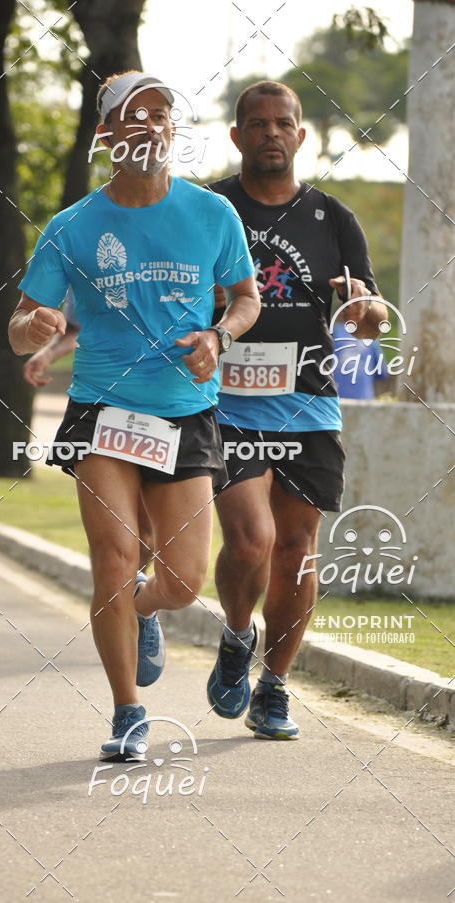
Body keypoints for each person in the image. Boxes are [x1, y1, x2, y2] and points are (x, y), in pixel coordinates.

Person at [9, 71, 259, 760]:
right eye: (134, 114)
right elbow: (22, 321)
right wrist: (34, 328)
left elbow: (245, 295)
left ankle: (146, 609)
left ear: (172, 130)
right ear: (106, 135)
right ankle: (127, 712)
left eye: (161, 113)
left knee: (183, 581)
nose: (151, 124)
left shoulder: (211, 213)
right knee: (114, 557)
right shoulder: (73, 227)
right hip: (102, 409)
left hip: (183, 411)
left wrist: (218, 337)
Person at [206, 81, 387, 739]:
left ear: (300, 135)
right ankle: (234, 632)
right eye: (257, 124)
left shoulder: (334, 219)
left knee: (295, 552)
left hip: (308, 405)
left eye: (283, 123)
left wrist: (363, 311)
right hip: (227, 402)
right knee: (250, 540)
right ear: (237, 135)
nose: (271, 134)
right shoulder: (210, 207)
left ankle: (275, 685)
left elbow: (365, 317)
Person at [23, 293, 155, 571]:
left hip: (162, 404)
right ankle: (121, 605)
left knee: (146, 536)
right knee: (115, 540)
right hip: (100, 405)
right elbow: (76, 326)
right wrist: (47, 354)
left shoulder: (182, 253)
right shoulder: (87, 253)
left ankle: (138, 605)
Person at [332, 321, 388, 399]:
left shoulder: (333, 332)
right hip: (364, 401)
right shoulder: (370, 334)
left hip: (336, 401)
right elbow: (382, 373)